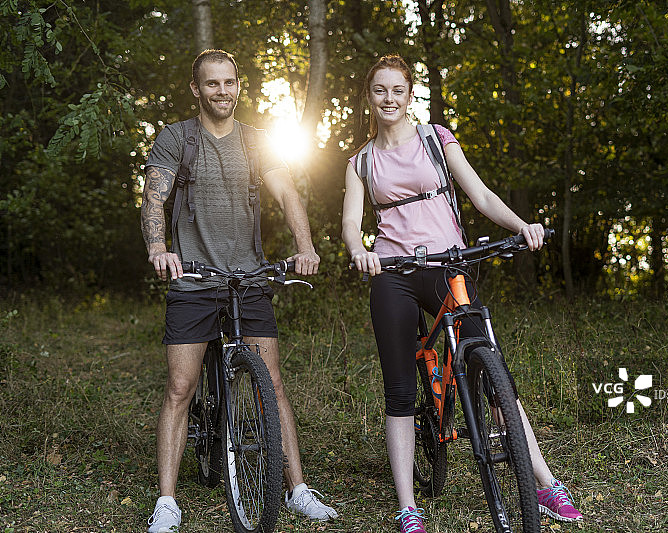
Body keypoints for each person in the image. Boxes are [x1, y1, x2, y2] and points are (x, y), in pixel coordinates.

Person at [341, 54, 583, 532]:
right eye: (379, 90)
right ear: (368, 97)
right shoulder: (360, 162)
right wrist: (359, 249)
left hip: (449, 263)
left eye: (397, 90)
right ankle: (408, 505)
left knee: (491, 367)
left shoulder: (435, 138)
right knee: (400, 389)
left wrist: (522, 225)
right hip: (393, 270)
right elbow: (351, 222)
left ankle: (545, 482)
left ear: (410, 95)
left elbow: (482, 196)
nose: (389, 99)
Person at [140, 49, 337, 532]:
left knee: (270, 382)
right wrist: (158, 246)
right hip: (192, 277)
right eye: (212, 84)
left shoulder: (256, 143)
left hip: (247, 278)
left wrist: (304, 246)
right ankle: (167, 502)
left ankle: (297, 489)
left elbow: (288, 193)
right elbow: (154, 195)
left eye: (229, 82)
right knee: (180, 388)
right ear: (196, 89)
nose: (222, 91)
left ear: (238, 85)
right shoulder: (176, 139)